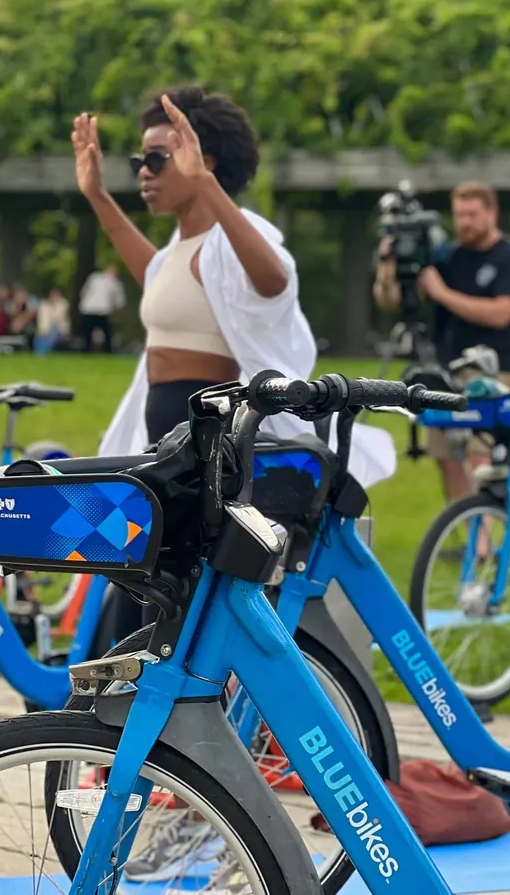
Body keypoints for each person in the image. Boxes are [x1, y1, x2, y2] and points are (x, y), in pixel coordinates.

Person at [73, 86, 395, 651]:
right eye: (137, 162)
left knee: (173, 595)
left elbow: (274, 281)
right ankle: (121, 723)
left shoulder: (236, 235)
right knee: (143, 589)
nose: (142, 173)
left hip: (205, 443)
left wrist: (208, 189)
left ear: (204, 160)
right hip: (167, 440)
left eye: (155, 158)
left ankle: (160, 722)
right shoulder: (183, 246)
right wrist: (98, 197)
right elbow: (157, 276)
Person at [373, 181, 510, 500]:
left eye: (472, 214)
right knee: (447, 457)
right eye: (459, 214)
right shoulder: (447, 256)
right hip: (448, 372)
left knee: (480, 453)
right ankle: (465, 535)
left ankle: (483, 541)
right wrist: (387, 263)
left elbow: (502, 313)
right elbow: (389, 301)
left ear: (492, 213)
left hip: (496, 372)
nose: (464, 222)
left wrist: (442, 294)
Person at [78, 263, 126, 351]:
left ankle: (91, 348)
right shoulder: (109, 281)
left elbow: (84, 291)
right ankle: (104, 349)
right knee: (103, 332)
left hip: (93, 309)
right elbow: (119, 299)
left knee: (94, 331)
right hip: (97, 309)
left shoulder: (95, 278)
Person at [33, 286, 71, 354]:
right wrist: (42, 331)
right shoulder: (43, 304)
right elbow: (42, 320)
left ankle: (42, 353)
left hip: (59, 329)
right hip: (45, 330)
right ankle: (40, 353)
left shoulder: (63, 304)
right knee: (40, 336)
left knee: (52, 332)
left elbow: (59, 319)